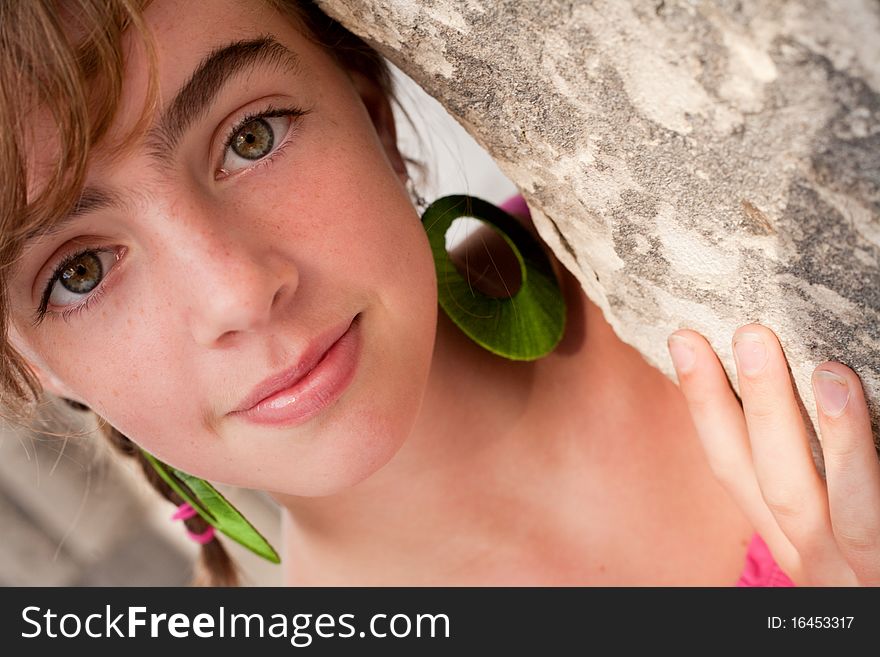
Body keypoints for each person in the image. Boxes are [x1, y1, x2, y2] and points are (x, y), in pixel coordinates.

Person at [1, 0, 877, 587]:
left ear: (368, 106)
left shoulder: (711, 227)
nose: (239, 291)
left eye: (252, 135)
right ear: (31, 367)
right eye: (79, 271)